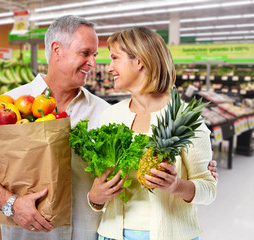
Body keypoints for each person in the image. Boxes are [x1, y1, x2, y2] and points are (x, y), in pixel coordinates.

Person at [0, 16, 218, 240]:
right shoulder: (10, 105)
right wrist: (11, 204)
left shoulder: (105, 112)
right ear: (57, 50)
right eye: (86, 53)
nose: (94, 63)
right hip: (27, 235)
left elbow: (194, 181)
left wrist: (187, 180)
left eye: (97, 55)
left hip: (88, 233)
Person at [87, 27, 217, 240]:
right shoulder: (109, 116)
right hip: (110, 235)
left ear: (139, 61)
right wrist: (95, 198)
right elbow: (99, 187)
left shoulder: (185, 119)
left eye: (114, 58)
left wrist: (177, 186)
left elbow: (209, 189)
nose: (109, 68)